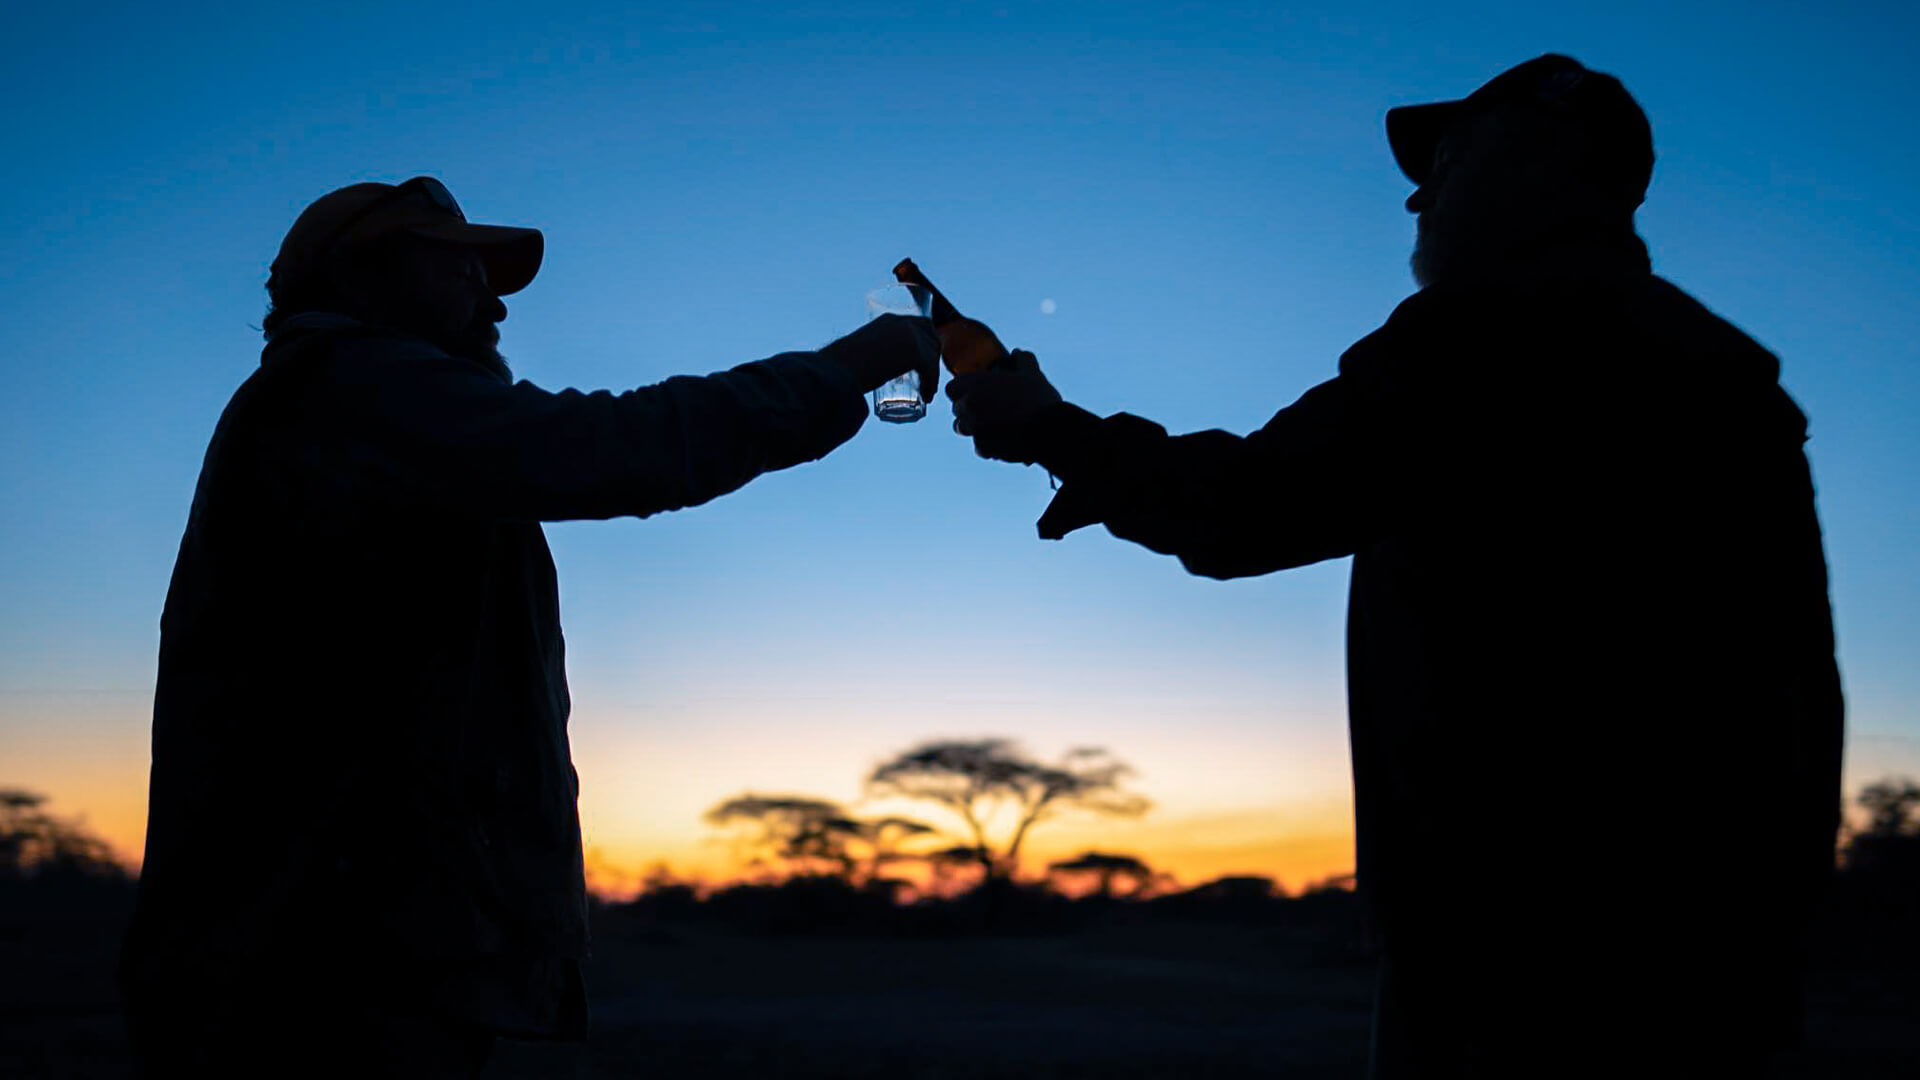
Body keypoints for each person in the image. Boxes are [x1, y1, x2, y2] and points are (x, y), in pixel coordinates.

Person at [948, 55, 1843, 1078]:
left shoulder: (1490, 338)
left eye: (1450, 161)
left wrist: (1049, 428)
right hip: (1721, 953)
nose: (1417, 195)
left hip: (1517, 947)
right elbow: (1802, 701)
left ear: (1530, 168)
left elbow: (1248, 508)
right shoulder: (1727, 379)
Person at [119, 176, 939, 1076]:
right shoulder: (349, 388)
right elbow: (612, 449)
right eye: (462, 269)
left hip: (347, 930)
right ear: (369, 274)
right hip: (325, 944)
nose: (493, 297)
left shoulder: (359, 406)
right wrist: (846, 366)